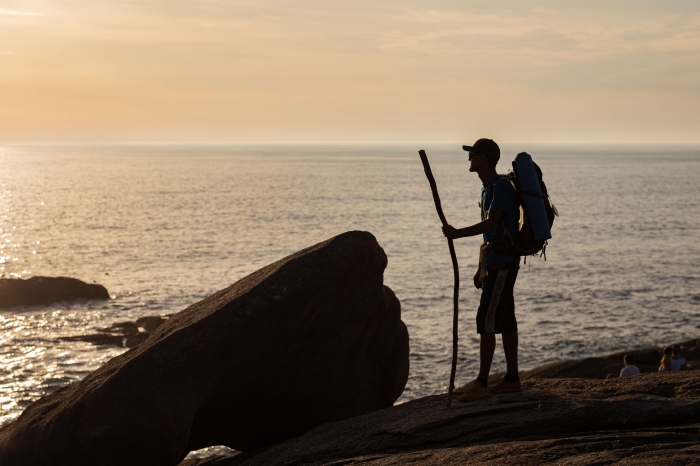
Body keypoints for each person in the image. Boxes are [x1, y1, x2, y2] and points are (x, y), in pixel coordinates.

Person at [442, 138, 521, 401]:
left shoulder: (501, 188)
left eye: (473, 154)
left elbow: (491, 225)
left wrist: (457, 234)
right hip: (496, 263)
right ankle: (512, 379)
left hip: (503, 263)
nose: (469, 158)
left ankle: (482, 382)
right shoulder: (489, 188)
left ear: (484, 158)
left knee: (485, 319)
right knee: (506, 319)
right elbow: (493, 234)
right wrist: (481, 268)